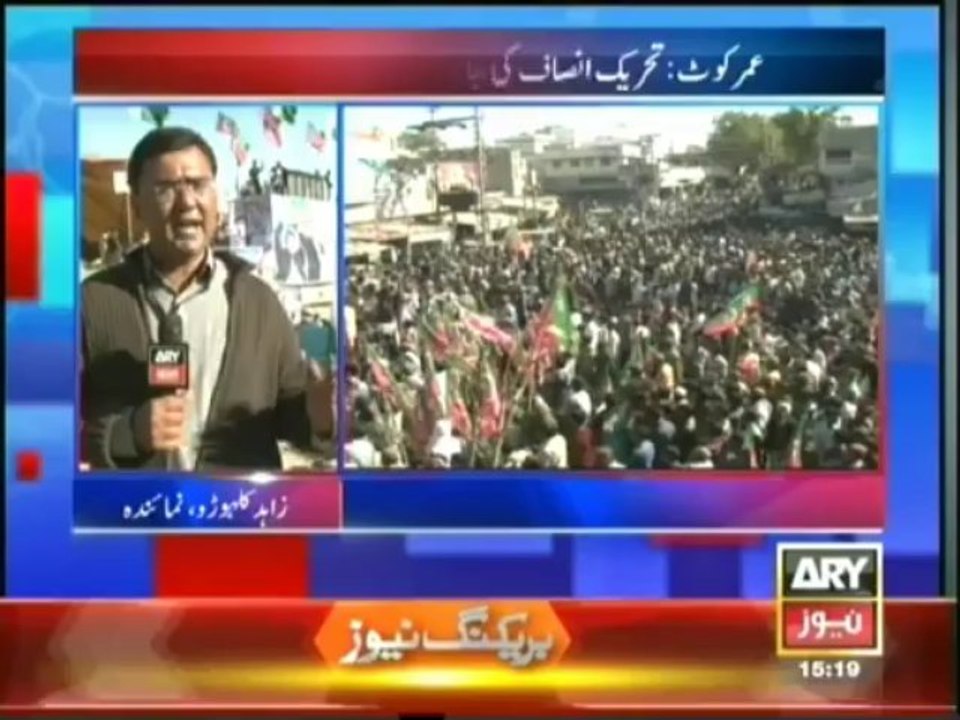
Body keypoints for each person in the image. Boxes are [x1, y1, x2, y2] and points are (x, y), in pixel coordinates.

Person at [81, 126, 334, 471]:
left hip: (236, 516)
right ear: (137, 204)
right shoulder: (93, 303)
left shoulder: (259, 303)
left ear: (217, 197)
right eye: (166, 189)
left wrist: (319, 416)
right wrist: (126, 434)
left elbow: (289, 422)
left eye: (198, 185)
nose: (187, 203)